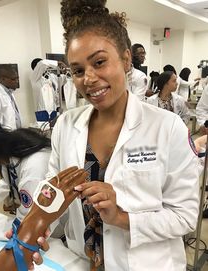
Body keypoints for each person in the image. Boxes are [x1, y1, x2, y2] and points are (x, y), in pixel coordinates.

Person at [31, 1, 199, 270]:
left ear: (125, 59)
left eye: (99, 62)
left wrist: (121, 217)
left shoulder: (167, 128)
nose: (89, 78)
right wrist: (33, 231)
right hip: (85, 261)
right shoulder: (65, 125)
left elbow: (185, 216)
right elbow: (55, 194)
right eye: (77, 71)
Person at [0, 109, 51, 241]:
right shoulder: (6, 151)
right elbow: (11, 179)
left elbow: (28, 225)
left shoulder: (34, 168)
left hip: (52, 234)